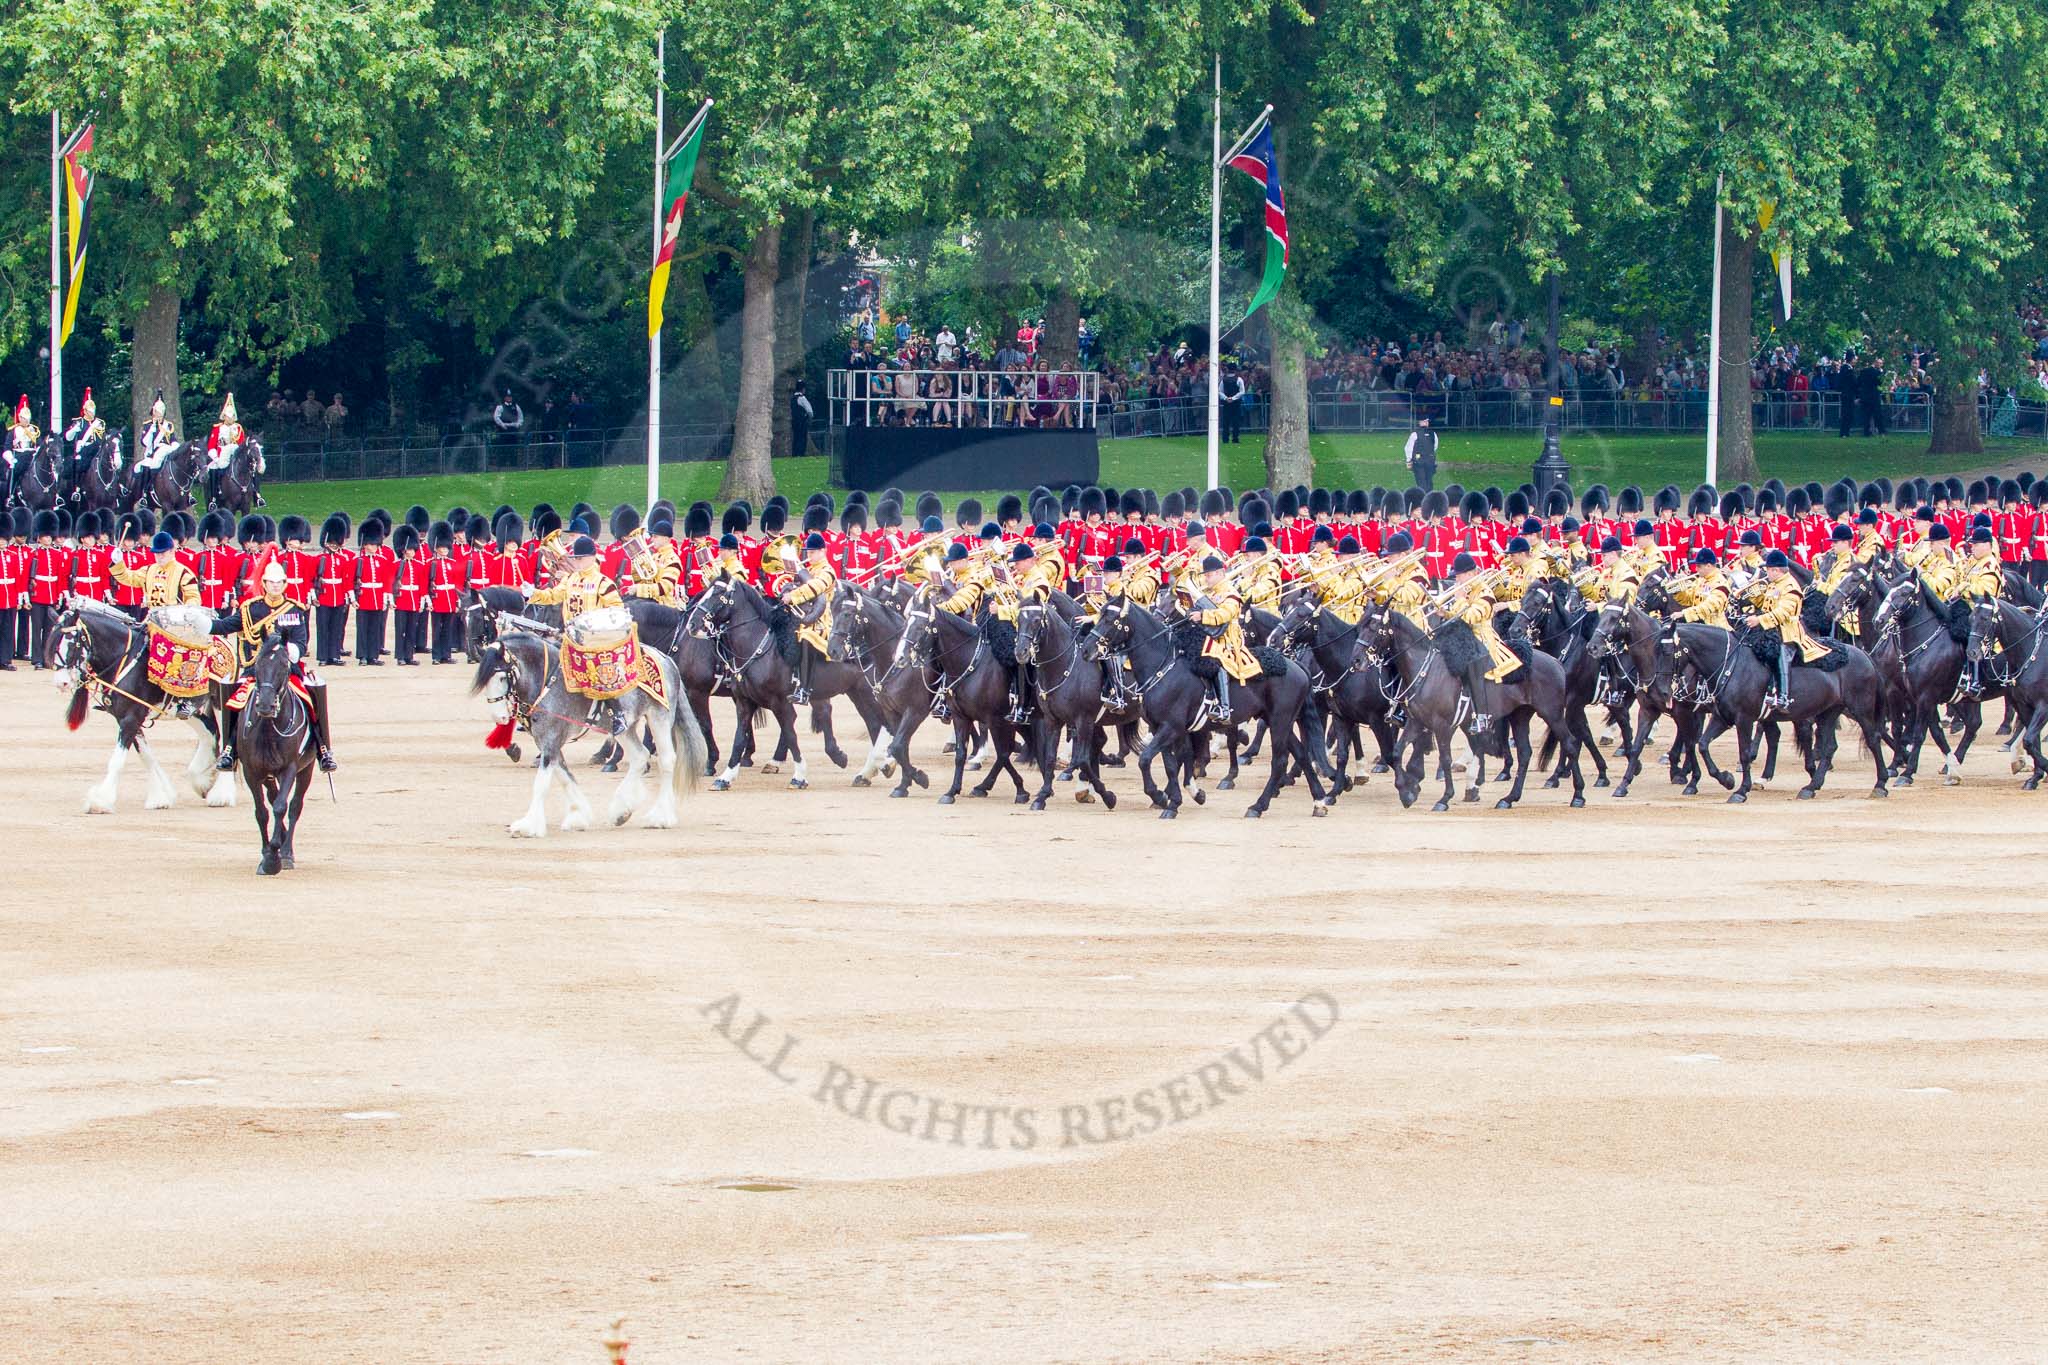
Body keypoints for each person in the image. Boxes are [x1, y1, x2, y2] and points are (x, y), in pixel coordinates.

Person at [210, 559, 337, 773]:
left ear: (285, 584)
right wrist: (200, 623)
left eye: (279, 582)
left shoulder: (295, 610)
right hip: (256, 670)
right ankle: (230, 749)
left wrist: (286, 653)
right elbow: (225, 625)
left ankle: (323, 748)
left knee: (311, 695)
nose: (275, 586)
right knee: (234, 698)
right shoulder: (251, 609)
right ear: (264, 583)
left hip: (286, 669)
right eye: (271, 582)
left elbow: (300, 642)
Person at [1739, 549, 1828, 714]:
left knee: (1781, 653)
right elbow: (1766, 604)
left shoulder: (1791, 587)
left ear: (1776, 570)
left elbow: (1783, 612)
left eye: (1768, 570)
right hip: (1771, 630)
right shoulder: (1773, 584)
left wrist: (1760, 620)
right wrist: (1751, 595)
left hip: (1788, 633)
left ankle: (1783, 697)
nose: (1766, 572)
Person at [1180, 554, 1259, 726]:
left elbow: (1225, 615)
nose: (1206, 579)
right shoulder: (1214, 592)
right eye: (1206, 576)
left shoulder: (1231, 593)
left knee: (1218, 661)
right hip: (1211, 636)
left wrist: (1203, 615)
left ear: (1220, 573)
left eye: (1209, 575)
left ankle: (1224, 707)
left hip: (1228, 640)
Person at [110, 529, 200, 608]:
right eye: (157, 553)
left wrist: (188, 609)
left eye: (163, 553)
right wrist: (118, 563)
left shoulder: (184, 573)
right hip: (153, 622)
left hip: (175, 623)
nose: (159, 556)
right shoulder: (149, 570)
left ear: (172, 551)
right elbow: (128, 578)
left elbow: (193, 597)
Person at [313, 514, 355, 667]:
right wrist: (313, 596)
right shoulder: (318, 559)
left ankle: (334, 655)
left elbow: (347, 580)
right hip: (323, 597)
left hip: (338, 597)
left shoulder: (342, 559)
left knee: (336, 628)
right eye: (331, 543)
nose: (334, 545)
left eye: (336, 543)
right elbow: (313, 580)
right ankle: (323, 656)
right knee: (323, 627)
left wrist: (350, 597)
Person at [203, 394, 253, 508]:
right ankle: (214, 497)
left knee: (251, 468)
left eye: (231, 416)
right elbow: (211, 445)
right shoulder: (217, 428)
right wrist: (215, 457)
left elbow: (241, 444)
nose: (229, 419)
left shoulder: (238, 428)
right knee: (213, 468)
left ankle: (256, 494)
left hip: (236, 454)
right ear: (224, 416)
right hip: (221, 454)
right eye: (227, 416)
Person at [135, 390, 177, 473]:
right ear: (154, 413)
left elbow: (173, 440)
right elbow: (144, 443)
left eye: (161, 413)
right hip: (153, 453)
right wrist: (152, 428)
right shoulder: (148, 425)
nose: (159, 415)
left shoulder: (168, 425)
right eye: (157, 413)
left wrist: (174, 447)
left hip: (167, 452)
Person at [1404, 415, 1438, 492]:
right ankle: (1429, 499)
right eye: (1425, 421)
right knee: (1429, 482)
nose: (1426, 423)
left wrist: (1408, 460)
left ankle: (1423, 500)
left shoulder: (1414, 434)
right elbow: (1435, 447)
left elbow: (1408, 448)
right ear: (1420, 422)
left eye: (1427, 421)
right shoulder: (1433, 434)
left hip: (1419, 462)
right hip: (1430, 461)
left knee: (1421, 483)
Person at [1219, 367, 1245, 444]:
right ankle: (1235, 438)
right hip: (1236, 403)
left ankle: (1225, 439)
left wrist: (1226, 398)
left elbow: (1220, 391)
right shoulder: (1239, 379)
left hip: (1226, 403)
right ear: (1235, 371)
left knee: (1226, 422)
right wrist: (1233, 398)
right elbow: (1242, 391)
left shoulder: (1223, 380)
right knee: (1236, 422)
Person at [789, 380, 813, 458]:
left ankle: (795, 454)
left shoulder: (793, 398)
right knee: (802, 438)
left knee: (796, 438)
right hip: (802, 421)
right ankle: (801, 454)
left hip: (794, 421)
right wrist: (810, 417)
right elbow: (809, 411)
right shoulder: (802, 398)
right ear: (803, 389)